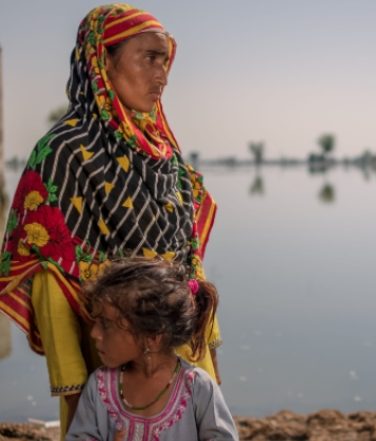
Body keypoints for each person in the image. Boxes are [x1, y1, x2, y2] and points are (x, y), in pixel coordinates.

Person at [0, 3, 221, 436]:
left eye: (165, 60)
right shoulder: (63, 150)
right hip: (101, 345)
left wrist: (204, 343)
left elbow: (189, 256)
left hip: (173, 333)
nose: (162, 75)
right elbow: (44, 267)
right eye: (149, 58)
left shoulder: (163, 151)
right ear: (102, 61)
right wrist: (78, 383)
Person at [66, 258, 238, 440]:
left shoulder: (197, 388)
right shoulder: (99, 388)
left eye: (106, 324)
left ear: (152, 337)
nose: (94, 333)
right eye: (96, 322)